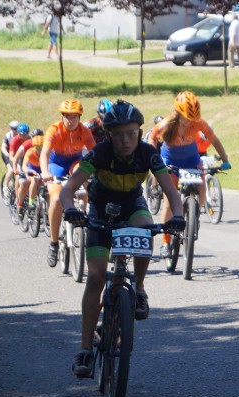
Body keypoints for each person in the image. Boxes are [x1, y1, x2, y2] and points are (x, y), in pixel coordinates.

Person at [61, 100, 185, 378]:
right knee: (95, 277)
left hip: (132, 205)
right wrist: (70, 209)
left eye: (131, 133)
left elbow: (171, 192)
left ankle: (139, 289)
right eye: (119, 134)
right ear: (108, 135)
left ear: (139, 132)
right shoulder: (99, 154)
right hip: (99, 211)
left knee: (145, 225)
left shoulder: (148, 154)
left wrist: (177, 215)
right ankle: (84, 350)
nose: (126, 140)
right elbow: (68, 189)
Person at [148, 91, 229, 258]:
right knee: (169, 202)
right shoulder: (168, 123)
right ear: (179, 113)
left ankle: (195, 215)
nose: (190, 121)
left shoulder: (199, 122)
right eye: (187, 117)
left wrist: (225, 159)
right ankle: (165, 241)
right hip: (170, 159)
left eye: (193, 118)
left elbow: (214, 139)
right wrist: (154, 158)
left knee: (201, 186)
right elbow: (153, 137)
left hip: (191, 159)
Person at [40, 99, 97, 267]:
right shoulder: (54, 130)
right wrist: (45, 172)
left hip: (75, 162)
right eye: (67, 117)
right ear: (62, 116)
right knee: (57, 199)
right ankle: (54, 243)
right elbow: (44, 153)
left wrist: (100, 170)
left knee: (85, 182)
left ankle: (84, 219)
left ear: (79, 117)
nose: (71, 121)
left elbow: (95, 153)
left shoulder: (85, 131)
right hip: (56, 165)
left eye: (74, 117)